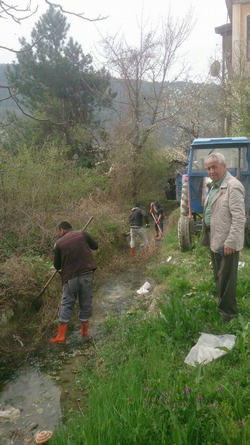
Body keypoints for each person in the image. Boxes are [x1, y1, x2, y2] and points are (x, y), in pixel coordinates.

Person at [201, 152, 245, 323]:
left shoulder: (233, 186)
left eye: (214, 167)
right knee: (219, 274)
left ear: (224, 166)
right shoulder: (214, 186)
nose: (211, 171)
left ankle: (229, 313)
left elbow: (239, 217)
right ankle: (222, 303)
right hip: (215, 237)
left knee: (227, 278)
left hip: (227, 241)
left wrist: (231, 242)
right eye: (208, 168)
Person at [50, 221, 98, 343]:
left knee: (66, 304)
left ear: (61, 230)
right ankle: (84, 333)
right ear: (71, 228)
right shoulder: (82, 234)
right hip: (86, 274)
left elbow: (56, 265)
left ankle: (61, 336)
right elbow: (95, 246)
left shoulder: (59, 243)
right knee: (86, 302)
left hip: (70, 278)